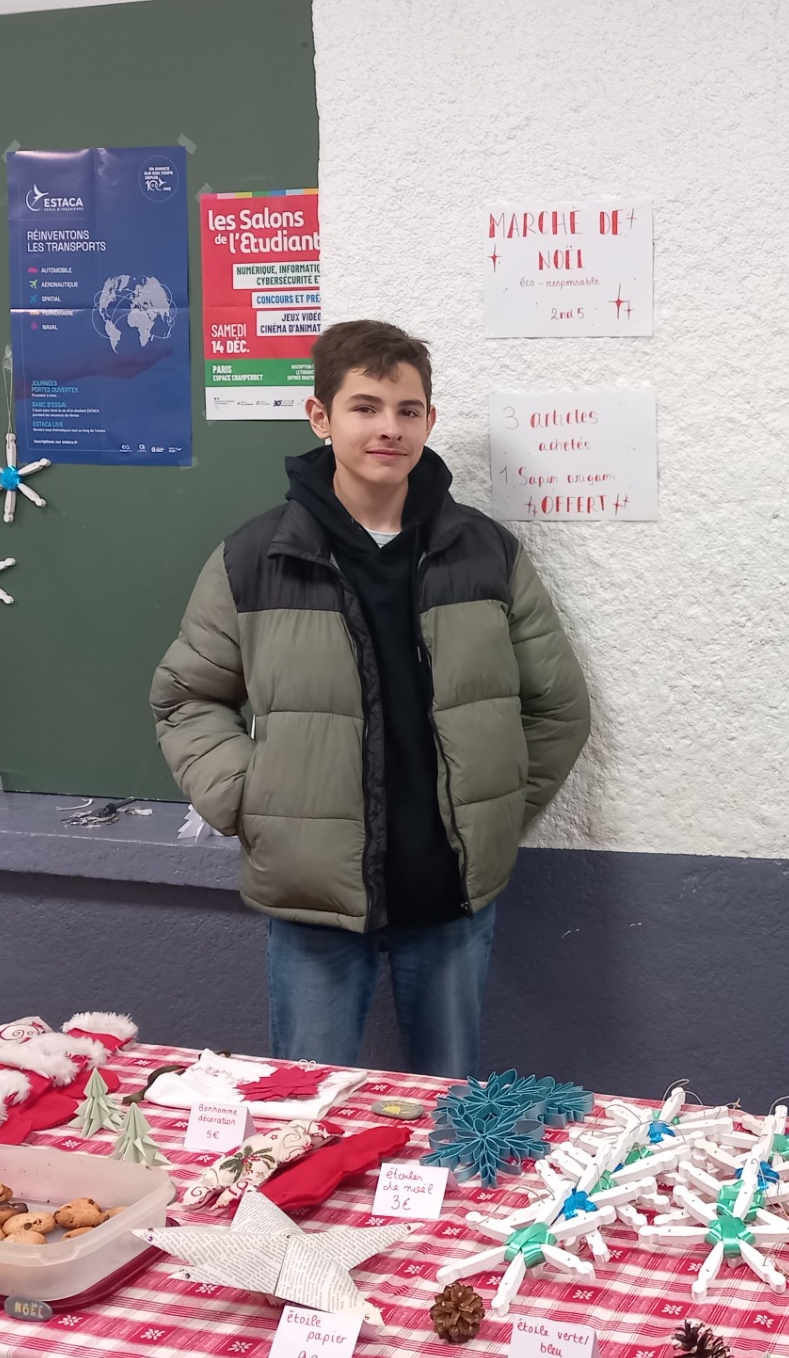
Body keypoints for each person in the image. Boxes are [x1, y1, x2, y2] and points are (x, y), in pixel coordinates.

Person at [151, 319, 590, 1076]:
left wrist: (495, 813)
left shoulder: (486, 552)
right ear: (320, 417)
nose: (388, 428)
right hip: (311, 902)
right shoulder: (255, 558)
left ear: (429, 420)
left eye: (407, 409)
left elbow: (558, 705)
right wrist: (252, 802)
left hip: (450, 895)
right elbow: (186, 698)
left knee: (449, 1114)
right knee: (306, 1110)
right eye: (365, 407)